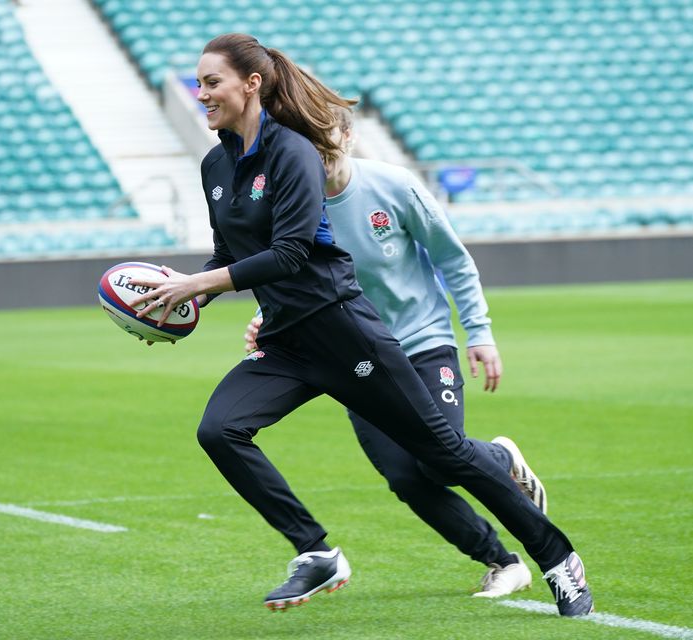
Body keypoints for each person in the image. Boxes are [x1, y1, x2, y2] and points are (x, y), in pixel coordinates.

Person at [128, 33, 593, 617]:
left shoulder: (293, 152)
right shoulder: (216, 165)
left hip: (344, 329)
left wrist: (199, 285)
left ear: (252, 84)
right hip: (287, 340)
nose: (200, 94)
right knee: (220, 429)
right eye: (198, 83)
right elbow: (227, 252)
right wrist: (183, 296)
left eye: (211, 82)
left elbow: (292, 253)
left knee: (443, 456)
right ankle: (315, 552)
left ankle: (556, 559)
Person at [242, 105, 544, 599]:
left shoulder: (394, 185)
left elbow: (452, 258)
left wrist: (480, 332)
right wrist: (264, 320)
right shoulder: (294, 203)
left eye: (325, 138)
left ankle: (499, 456)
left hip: (424, 342)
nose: (317, 152)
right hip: (355, 357)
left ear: (347, 134)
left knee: (441, 459)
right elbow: (289, 278)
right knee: (405, 476)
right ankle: (503, 562)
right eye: (305, 143)